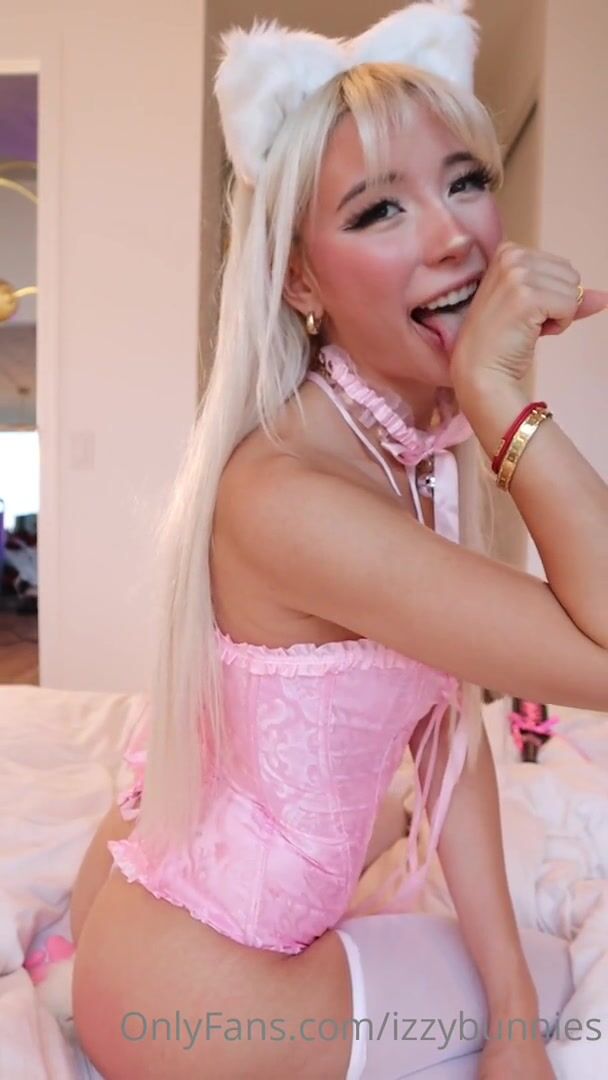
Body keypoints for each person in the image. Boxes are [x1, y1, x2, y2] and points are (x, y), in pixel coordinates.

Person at [70, 2, 608, 1077]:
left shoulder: (403, 450)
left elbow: (448, 730)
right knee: (566, 984)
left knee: (518, 976)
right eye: (379, 209)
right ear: (299, 279)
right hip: (198, 987)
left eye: (465, 180)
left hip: (161, 919)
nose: (454, 236)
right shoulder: (295, 497)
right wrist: (504, 400)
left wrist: (508, 1015)